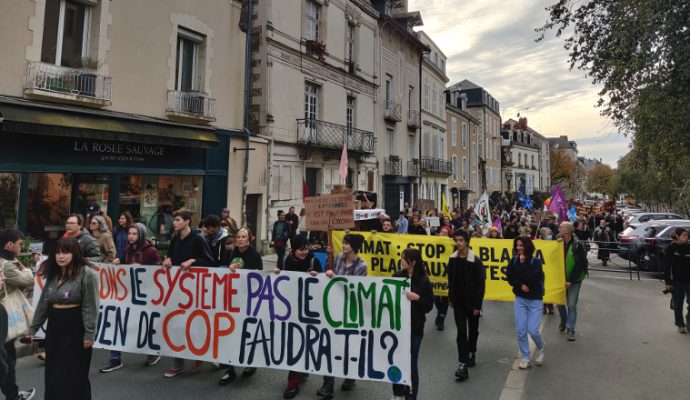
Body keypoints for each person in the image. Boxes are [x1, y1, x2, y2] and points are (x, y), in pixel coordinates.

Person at [28, 237, 99, 400]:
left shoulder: (87, 274)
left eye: (65, 252)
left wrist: (89, 333)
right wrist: (33, 328)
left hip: (76, 328)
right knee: (53, 372)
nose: (61, 256)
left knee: (74, 374)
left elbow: (91, 306)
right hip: (55, 328)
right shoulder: (54, 274)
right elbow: (44, 304)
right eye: (58, 253)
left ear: (75, 253)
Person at [100, 223, 162, 372]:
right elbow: (122, 260)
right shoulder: (127, 250)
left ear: (141, 235)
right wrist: (118, 261)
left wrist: (142, 269)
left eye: (134, 234)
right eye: (129, 234)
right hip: (128, 294)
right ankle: (115, 359)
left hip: (145, 296)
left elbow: (160, 272)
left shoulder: (151, 251)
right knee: (117, 322)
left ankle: (152, 352)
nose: (131, 236)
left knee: (145, 324)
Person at [162, 209, 213, 378]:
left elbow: (209, 262)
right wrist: (167, 259)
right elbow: (170, 256)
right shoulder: (175, 239)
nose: (174, 223)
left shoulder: (198, 239)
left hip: (195, 291)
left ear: (187, 222)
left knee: (195, 325)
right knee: (177, 325)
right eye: (174, 220)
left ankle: (201, 353)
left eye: (177, 220)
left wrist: (193, 261)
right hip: (178, 290)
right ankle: (178, 364)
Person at [317, 234, 367, 398]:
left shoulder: (361, 266)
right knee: (329, 346)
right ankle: (327, 385)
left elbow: (352, 288)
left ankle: (350, 377)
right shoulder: (338, 258)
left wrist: (336, 277)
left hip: (350, 312)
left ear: (354, 246)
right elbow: (328, 277)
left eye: (347, 243)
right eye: (343, 242)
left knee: (348, 346)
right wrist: (328, 271)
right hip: (333, 309)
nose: (343, 245)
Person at [273, 235, 321, 399]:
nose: (304, 252)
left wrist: (319, 276)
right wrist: (277, 273)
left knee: (304, 342)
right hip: (290, 310)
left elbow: (324, 285)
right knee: (293, 344)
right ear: (293, 250)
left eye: (306, 248)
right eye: (301, 249)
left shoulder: (314, 262)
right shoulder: (286, 261)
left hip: (309, 310)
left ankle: (297, 376)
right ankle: (295, 379)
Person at [219, 227, 263, 384]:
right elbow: (220, 272)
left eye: (244, 237)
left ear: (249, 239)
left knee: (247, 333)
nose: (240, 239)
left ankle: (250, 363)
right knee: (230, 333)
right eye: (238, 237)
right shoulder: (231, 253)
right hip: (232, 299)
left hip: (248, 300)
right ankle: (229, 369)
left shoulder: (254, 255)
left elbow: (259, 276)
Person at [391, 248, 433, 400]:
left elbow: (429, 306)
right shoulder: (396, 276)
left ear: (413, 262)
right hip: (397, 328)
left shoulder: (423, 281)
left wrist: (417, 299)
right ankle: (397, 393)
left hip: (415, 329)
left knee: (411, 362)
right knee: (396, 360)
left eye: (404, 258)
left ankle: (411, 395)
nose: (401, 260)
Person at [0, 229, 37, 400]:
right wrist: (27, 269)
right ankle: (13, 396)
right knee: (8, 361)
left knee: (7, 359)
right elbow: (28, 281)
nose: (21, 248)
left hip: (5, 316)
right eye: (20, 244)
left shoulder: (8, 261)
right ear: (9, 245)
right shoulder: (6, 265)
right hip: (5, 318)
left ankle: (12, 394)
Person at [447, 229, 486, 381]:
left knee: (473, 330)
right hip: (458, 302)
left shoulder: (476, 261)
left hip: (472, 302)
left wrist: (477, 305)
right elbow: (451, 280)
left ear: (467, 242)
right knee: (461, 332)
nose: (458, 243)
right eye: (456, 240)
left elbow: (480, 285)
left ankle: (472, 351)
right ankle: (462, 363)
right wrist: (451, 298)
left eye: (461, 240)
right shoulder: (452, 259)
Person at [505, 235, 545, 369]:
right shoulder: (514, 261)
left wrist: (523, 266)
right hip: (520, 299)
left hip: (535, 300)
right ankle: (526, 356)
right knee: (521, 330)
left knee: (533, 330)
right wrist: (520, 285)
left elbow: (533, 277)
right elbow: (510, 277)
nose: (518, 248)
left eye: (521, 245)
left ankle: (541, 348)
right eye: (517, 245)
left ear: (527, 246)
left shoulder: (535, 262)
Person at [557, 221, 587, 341]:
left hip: (573, 281)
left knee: (571, 305)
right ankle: (564, 320)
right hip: (559, 279)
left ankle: (571, 330)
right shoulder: (558, 243)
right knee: (559, 303)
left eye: (561, 227)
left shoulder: (577, 245)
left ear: (567, 231)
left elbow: (580, 265)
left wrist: (571, 280)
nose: (558, 228)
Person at [663, 227, 690, 333]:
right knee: (678, 303)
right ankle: (680, 324)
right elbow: (667, 266)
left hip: (689, 280)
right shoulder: (671, 248)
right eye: (684, 235)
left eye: (687, 235)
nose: (686, 237)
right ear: (677, 236)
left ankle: (689, 319)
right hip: (677, 280)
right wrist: (668, 282)